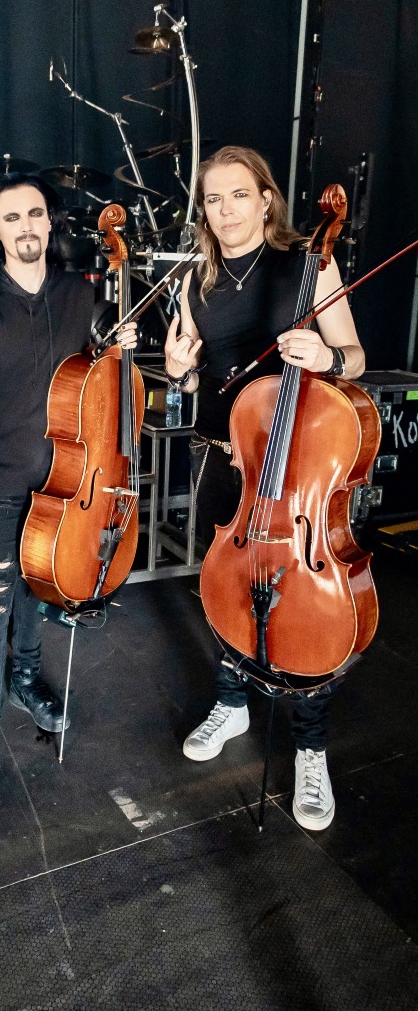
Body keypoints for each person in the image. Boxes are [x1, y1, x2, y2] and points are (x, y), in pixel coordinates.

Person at [166, 145, 366, 831]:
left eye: (237, 196)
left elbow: (357, 360)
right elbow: (190, 374)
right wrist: (178, 371)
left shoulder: (311, 262)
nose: (224, 211)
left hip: (299, 465)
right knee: (227, 589)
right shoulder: (196, 280)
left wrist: (327, 357)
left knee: (304, 605)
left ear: (266, 199)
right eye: (212, 200)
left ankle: (310, 747)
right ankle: (232, 700)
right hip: (225, 461)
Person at [0, 172, 96, 828]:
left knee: (42, 583)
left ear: (49, 223)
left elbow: (96, 379)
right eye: (14, 217)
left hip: (64, 473)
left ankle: (26, 675)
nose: (28, 226)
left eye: (37, 214)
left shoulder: (82, 293)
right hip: (1, 476)